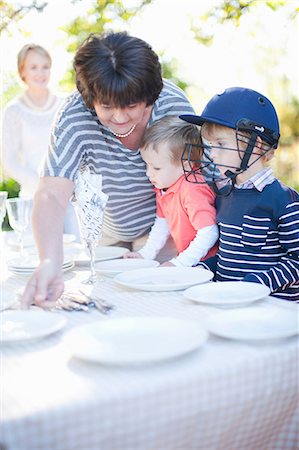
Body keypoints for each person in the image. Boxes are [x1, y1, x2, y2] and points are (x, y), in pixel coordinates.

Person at [21, 31, 195, 307]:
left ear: (150, 97)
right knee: (108, 301)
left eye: (131, 105)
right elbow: (52, 193)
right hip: (108, 232)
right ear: (91, 100)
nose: (120, 118)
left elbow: (199, 182)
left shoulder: (173, 105)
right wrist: (49, 261)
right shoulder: (74, 114)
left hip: (165, 233)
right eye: (106, 106)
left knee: (160, 303)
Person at [180, 87, 299, 301]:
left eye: (221, 145)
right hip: (230, 303)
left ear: (256, 146)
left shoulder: (283, 200)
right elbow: (229, 258)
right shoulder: (225, 195)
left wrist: (257, 283)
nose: (213, 154)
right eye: (211, 145)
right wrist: (202, 269)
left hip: (271, 308)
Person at [1, 43, 79, 237]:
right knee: (39, 259)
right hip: (33, 199)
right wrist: (43, 187)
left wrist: (65, 186)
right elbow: (8, 161)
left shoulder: (65, 104)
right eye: (33, 67)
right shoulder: (13, 111)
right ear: (22, 71)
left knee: (76, 257)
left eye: (45, 66)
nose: (40, 73)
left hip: (69, 198)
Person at [124, 116, 218, 266]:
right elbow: (162, 223)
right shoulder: (164, 187)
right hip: (190, 262)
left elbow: (209, 231)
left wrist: (180, 263)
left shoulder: (192, 189)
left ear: (186, 165)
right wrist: (145, 254)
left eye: (156, 168)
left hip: (207, 264)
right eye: (147, 165)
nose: (148, 173)